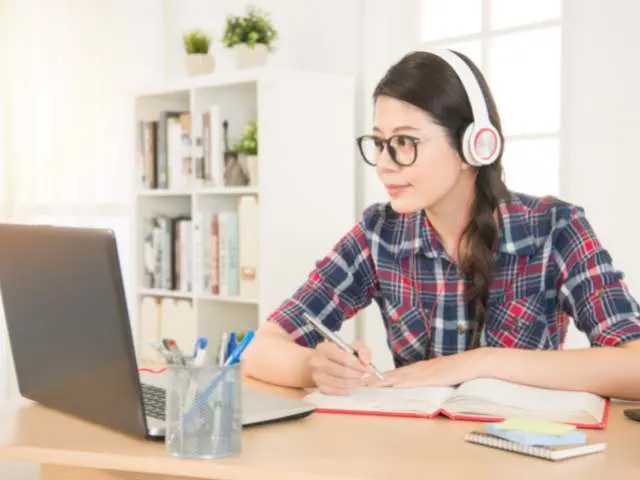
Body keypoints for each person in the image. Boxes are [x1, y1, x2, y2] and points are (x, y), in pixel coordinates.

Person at [243, 49, 640, 400]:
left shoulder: (556, 228)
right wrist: (313, 366)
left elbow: (634, 364)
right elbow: (260, 348)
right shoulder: (379, 234)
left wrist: (477, 363)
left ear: (474, 146)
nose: (384, 163)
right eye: (380, 143)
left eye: (405, 143)